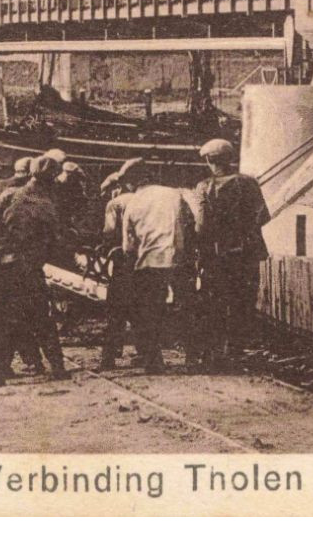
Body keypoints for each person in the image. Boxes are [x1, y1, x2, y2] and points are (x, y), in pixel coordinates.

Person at [0, 152, 69, 385]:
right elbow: (56, 242)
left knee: (2, 318)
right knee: (40, 318)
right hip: (26, 269)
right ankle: (57, 366)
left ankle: (1, 371)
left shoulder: (8, 195)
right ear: (51, 180)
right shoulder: (46, 205)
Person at [192, 138, 271, 370]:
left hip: (217, 255)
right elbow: (263, 216)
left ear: (209, 161)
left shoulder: (204, 187)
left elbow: (201, 225)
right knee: (243, 299)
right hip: (246, 253)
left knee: (215, 299)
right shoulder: (249, 183)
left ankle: (216, 351)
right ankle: (237, 349)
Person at [117, 178, 198, 373]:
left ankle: (153, 360)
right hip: (179, 260)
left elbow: (128, 246)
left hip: (149, 263)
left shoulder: (133, 203)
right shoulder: (175, 193)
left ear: (131, 183)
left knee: (148, 311)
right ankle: (193, 357)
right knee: (188, 307)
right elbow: (191, 223)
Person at [95, 159, 144, 370]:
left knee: (116, 309)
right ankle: (148, 354)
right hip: (144, 259)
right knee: (142, 308)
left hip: (123, 259)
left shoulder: (116, 203)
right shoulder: (146, 199)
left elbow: (109, 233)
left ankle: (109, 357)